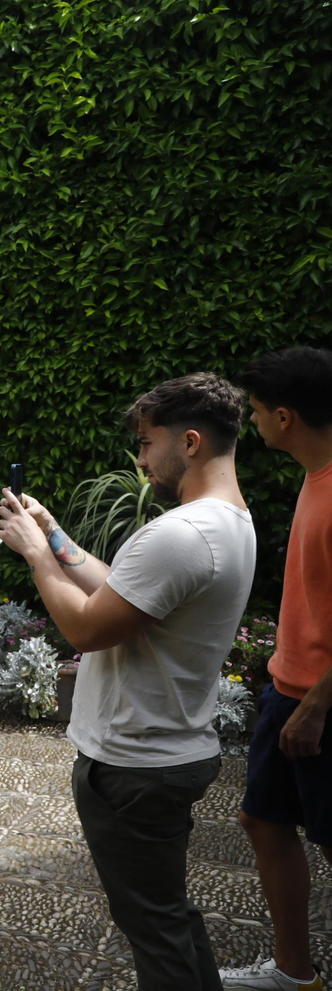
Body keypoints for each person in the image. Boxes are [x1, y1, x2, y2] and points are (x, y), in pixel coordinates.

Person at [0, 373, 255, 991]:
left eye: (146, 444)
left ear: (188, 442)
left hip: (136, 764)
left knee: (154, 931)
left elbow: (87, 629)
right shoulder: (229, 523)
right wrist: (56, 536)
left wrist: (34, 554)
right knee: (166, 911)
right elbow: (124, 592)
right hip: (169, 750)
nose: (140, 461)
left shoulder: (182, 533)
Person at [220, 348, 332, 991]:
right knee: (262, 819)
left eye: (258, 412)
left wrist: (318, 703)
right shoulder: (312, 472)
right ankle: (295, 971)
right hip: (289, 689)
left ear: (285, 416)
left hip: (319, 701)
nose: (254, 423)